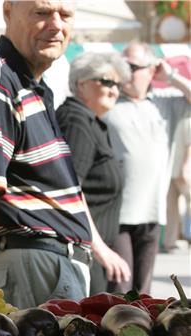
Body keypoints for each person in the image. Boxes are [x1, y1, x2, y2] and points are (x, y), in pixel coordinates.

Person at [0, 0, 130, 309]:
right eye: (42, 13)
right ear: (8, 12)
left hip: (42, 265)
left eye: (65, 14)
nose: (56, 24)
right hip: (31, 264)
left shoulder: (27, 83)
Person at [103, 42, 191, 294]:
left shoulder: (165, 103)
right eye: (121, 65)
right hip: (116, 214)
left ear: (152, 70)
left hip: (152, 213)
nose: (124, 71)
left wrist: (172, 76)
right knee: (119, 291)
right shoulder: (108, 100)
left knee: (143, 295)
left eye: (132, 66)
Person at [56, 51, 131, 294]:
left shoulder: (90, 120)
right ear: (81, 83)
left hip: (90, 252)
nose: (114, 90)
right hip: (83, 253)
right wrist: (100, 250)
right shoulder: (77, 121)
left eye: (118, 84)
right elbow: (70, 190)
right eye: (107, 81)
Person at [166, 117, 191, 251]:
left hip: (182, 169)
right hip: (171, 168)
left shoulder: (187, 118)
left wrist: (186, 166)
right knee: (171, 208)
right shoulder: (174, 116)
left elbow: (190, 144)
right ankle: (170, 241)